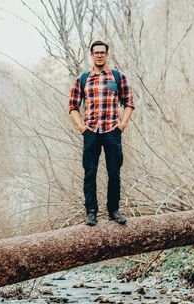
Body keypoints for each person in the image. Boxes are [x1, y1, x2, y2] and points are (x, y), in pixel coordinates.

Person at [68, 40, 135, 226]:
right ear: (91, 54)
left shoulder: (117, 77)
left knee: (114, 172)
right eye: (96, 52)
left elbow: (129, 102)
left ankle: (113, 210)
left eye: (102, 52)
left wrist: (122, 124)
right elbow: (73, 106)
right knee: (90, 172)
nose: (99, 55)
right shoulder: (83, 79)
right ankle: (91, 212)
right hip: (91, 132)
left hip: (112, 131)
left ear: (107, 54)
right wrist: (81, 127)